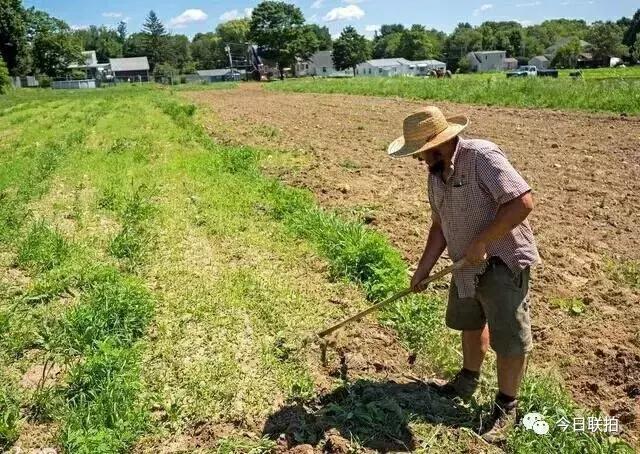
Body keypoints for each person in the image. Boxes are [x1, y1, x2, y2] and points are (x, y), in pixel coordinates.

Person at [387, 106, 540, 443]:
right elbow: (440, 225)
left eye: (421, 153)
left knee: (509, 336)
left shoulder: (482, 156)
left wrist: (484, 241)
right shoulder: (435, 174)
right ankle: (467, 380)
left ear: (437, 143)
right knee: (470, 323)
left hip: (502, 261)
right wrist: (423, 269)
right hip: (464, 266)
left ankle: (506, 407)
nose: (419, 160)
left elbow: (522, 202)